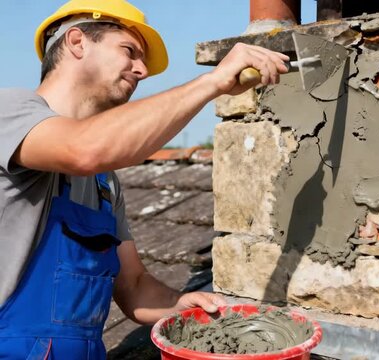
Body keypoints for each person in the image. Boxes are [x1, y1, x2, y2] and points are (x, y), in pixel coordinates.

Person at [0, 0, 288, 358]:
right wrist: (211, 82)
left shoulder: (105, 185)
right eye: (129, 51)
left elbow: (134, 288)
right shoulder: (8, 111)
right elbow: (84, 149)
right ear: (77, 42)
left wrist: (181, 303)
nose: (142, 70)